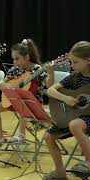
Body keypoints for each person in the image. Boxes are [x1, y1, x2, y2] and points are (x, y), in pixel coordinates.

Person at [0, 38, 54, 153]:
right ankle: (0, 138)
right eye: (13, 59)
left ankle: (21, 136)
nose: (14, 62)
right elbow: (1, 84)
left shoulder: (37, 69)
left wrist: (51, 73)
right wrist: (5, 85)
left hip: (33, 103)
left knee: (23, 104)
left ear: (26, 57)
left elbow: (50, 85)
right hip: (14, 101)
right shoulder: (15, 69)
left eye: (17, 59)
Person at [43, 41, 90, 180]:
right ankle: (60, 172)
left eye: (75, 62)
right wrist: (65, 98)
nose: (71, 66)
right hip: (78, 117)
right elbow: (50, 90)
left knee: (74, 125)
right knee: (48, 136)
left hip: (85, 120)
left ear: (88, 60)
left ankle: (88, 161)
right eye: (71, 62)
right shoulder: (75, 77)